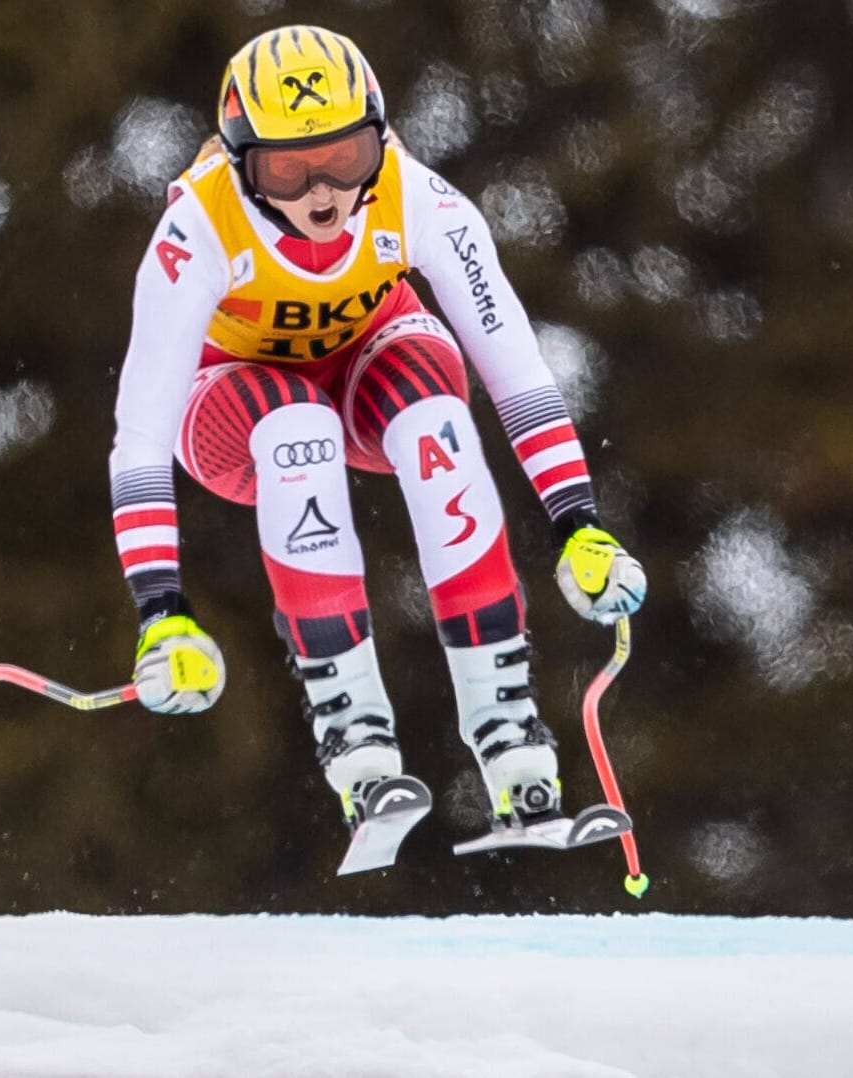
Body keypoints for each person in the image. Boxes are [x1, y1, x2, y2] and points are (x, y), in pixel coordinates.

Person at [109, 25, 646, 834]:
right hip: (235, 405)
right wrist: (161, 611)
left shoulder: (418, 198)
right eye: (288, 170)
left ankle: (509, 734)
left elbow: (516, 371)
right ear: (238, 161)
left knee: (437, 416)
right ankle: (354, 739)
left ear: (382, 136)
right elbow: (140, 436)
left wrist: (580, 524)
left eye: (347, 158)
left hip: (367, 370)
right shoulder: (198, 230)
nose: (321, 194)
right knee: (299, 432)